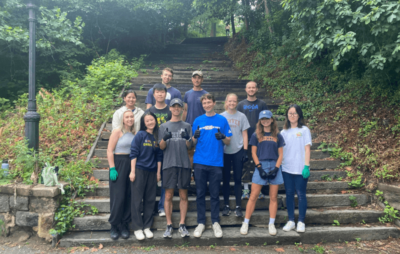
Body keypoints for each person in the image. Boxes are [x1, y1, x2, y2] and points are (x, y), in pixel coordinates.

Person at [191, 93, 232, 239]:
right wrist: (194, 137)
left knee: (215, 194)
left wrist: (223, 138)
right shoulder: (198, 120)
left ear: (214, 103)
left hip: (216, 162)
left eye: (209, 102)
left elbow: (228, 141)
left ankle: (215, 222)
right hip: (200, 162)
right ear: (202, 105)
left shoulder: (222, 120)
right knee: (200, 194)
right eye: (204, 103)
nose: (207, 105)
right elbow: (192, 143)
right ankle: (201, 222)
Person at [240, 110, 285, 236]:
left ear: (272, 120)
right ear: (260, 121)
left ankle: (271, 223)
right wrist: (259, 167)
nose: (265, 121)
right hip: (261, 164)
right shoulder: (256, 135)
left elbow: (281, 153)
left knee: (273, 197)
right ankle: (246, 222)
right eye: (263, 119)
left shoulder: (278, 135)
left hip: (275, 164)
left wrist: (276, 168)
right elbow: (253, 152)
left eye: (267, 118)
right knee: (253, 196)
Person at [158, 98, 193, 238]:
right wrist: (164, 139)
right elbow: (161, 147)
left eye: (179, 107)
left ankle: (182, 224)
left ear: (182, 109)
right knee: (168, 195)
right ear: (170, 109)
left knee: (183, 195)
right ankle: (169, 225)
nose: (176, 109)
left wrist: (188, 139)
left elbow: (190, 147)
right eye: (174, 106)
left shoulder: (187, 126)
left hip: (184, 164)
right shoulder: (163, 126)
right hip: (169, 164)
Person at [129, 112, 162, 240]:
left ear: (155, 120)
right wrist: (132, 171)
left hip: (152, 171)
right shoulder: (140, 135)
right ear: (144, 123)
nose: (150, 122)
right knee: (137, 200)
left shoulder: (157, 136)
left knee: (150, 200)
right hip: (139, 170)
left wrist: (158, 172)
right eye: (147, 121)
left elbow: (159, 156)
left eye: (151, 120)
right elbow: (133, 153)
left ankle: (147, 227)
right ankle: (137, 228)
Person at [280, 104, 311, 233]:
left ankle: (301, 221)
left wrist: (306, 166)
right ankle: (291, 220)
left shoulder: (304, 130)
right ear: (287, 115)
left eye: (295, 113)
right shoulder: (283, 132)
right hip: (287, 168)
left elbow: (307, 148)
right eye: (290, 113)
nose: (292, 116)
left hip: (300, 168)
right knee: (289, 194)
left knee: (301, 194)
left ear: (299, 115)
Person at [107, 110, 135, 240]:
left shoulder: (134, 133)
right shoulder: (117, 131)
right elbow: (109, 150)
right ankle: (114, 225)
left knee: (128, 195)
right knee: (118, 196)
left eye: (131, 116)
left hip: (131, 165)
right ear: (123, 119)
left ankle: (124, 225)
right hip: (118, 164)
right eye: (127, 117)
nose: (129, 119)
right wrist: (112, 167)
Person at [237, 81, 268, 199]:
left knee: (258, 164)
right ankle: (245, 190)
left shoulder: (262, 104)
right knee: (245, 165)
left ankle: (258, 190)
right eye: (249, 87)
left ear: (256, 89)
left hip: (259, 140)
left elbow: (267, 120)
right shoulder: (240, 104)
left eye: (253, 87)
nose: (251, 89)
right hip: (244, 139)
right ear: (245, 89)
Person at [220, 93, 250, 218]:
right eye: (229, 101)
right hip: (224, 151)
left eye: (234, 101)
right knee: (226, 179)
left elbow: (245, 134)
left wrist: (245, 150)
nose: (231, 103)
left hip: (238, 150)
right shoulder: (221, 116)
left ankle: (238, 206)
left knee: (238, 179)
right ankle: (226, 205)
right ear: (226, 102)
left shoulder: (242, 116)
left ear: (237, 102)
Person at [145, 83, 172, 217]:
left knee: (165, 179)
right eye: (157, 92)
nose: (160, 94)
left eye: (162, 92)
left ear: (166, 94)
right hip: (151, 149)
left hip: (167, 149)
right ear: (153, 94)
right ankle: (148, 206)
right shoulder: (148, 112)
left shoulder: (170, 111)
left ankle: (162, 206)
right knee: (151, 178)